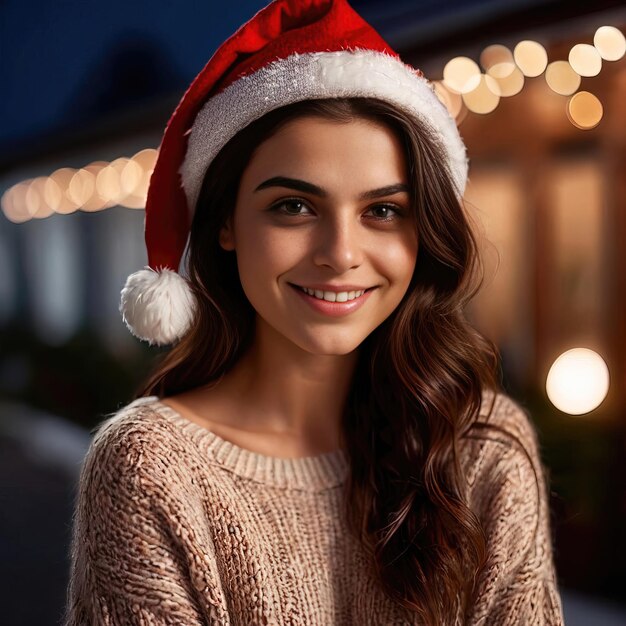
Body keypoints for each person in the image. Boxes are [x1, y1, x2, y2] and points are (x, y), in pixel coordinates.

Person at [64, 0, 564, 624]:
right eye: (294, 207)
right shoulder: (151, 469)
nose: (340, 255)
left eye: (382, 211)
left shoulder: (484, 449)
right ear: (225, 222)